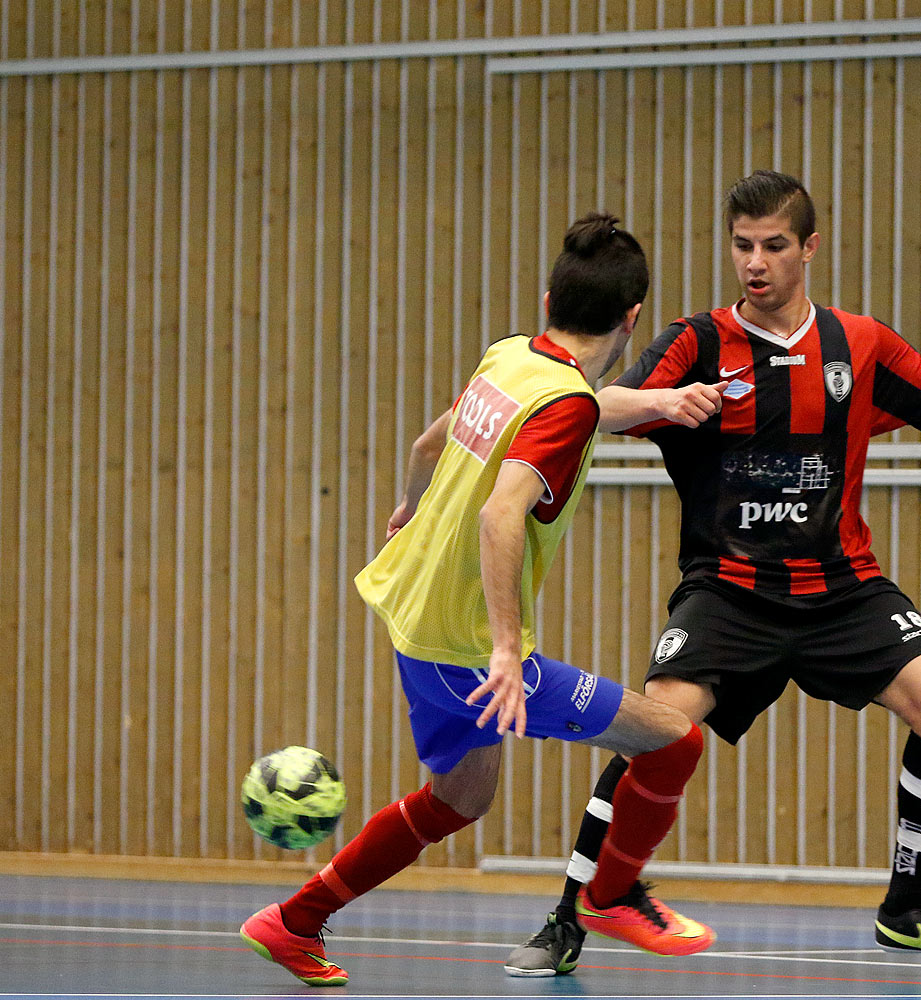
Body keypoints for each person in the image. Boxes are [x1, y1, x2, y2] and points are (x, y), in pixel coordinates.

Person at [505, 171, 921, 976]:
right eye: (742, 246)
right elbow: (595, 406)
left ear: (809, 248)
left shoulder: (860, 344)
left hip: (841, 587)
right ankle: (570, 914)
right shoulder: (693, 343)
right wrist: (664, 405)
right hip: (728, 592)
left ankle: (908, 906)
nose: (756, 263)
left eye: (774, 245)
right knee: (656, 727)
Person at [239, 214, 715, 988]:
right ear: (633, 319)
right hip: (469, 647)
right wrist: (503, 648)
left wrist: (408, 506)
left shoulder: (514, 358)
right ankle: (610, 894)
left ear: (550, 296)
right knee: (673, 742)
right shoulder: (567, 404)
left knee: (459, 798)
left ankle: (292, 921)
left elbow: (435, 442)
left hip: (414, 616)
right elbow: (503, 510)